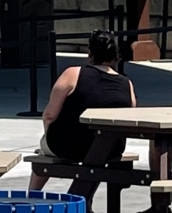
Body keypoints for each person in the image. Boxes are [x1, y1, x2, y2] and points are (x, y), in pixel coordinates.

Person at [38, 30, 137, 164]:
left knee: (42, 154)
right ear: (115, 56)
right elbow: (129, 118)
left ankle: (36, 179)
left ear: (90, 53)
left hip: (67, 146)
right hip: (111, 149)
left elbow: (50, 115)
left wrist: (47, 135)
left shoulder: (72, 74)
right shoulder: (127, 84)